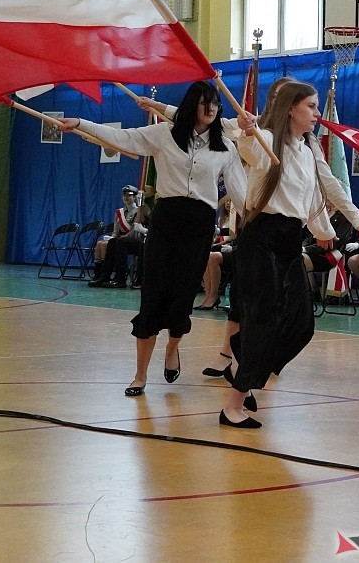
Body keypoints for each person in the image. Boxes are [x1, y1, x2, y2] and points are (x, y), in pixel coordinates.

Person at [59, 81, 242, 398]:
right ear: (189, 106)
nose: (210, 108)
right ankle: (140, 374)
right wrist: (80, 123)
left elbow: (242, 193)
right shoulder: (162, 135)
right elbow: (123, 137)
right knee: (153, 294)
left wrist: (265, 213)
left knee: (182, 297)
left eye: (214, 103)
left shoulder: (225, 146)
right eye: (203, 103)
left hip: (200, 225)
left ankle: (172, 349)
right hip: (167, 220)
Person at [222, 80, 337, 429]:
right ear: (291, 108)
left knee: (302, 325)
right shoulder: (268, 140)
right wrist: (247, 130)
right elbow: (249, 145)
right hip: (261, 240)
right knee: (263, 321)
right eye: (311, 107)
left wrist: (326, 234)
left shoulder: (306, 150)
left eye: (317, 107)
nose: (317, 114)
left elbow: (311, 201)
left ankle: (241, 363)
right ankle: (233, 405)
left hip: (290, 241)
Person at [90, 185, 150, 288]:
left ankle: (120, 278)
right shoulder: (120, 212)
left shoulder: (139, 210)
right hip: (123, 240)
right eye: (124, 195)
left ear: (135, 197)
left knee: (118, 242)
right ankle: (104, 276)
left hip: (135, 239)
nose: (126, 197)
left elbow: (134, 229)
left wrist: (142, 204)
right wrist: (112, 237)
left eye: (129, 195)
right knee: (111, 242)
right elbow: (115, 231)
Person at [195, 195, 237, 311]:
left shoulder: (239, 214)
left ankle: (213, 295)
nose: (228, 204)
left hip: (237, 248)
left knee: (213, 257)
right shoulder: (225, 218)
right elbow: (232, 231)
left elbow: (235, 234)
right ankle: (208, 295)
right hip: (231, 247)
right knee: (206, 256)